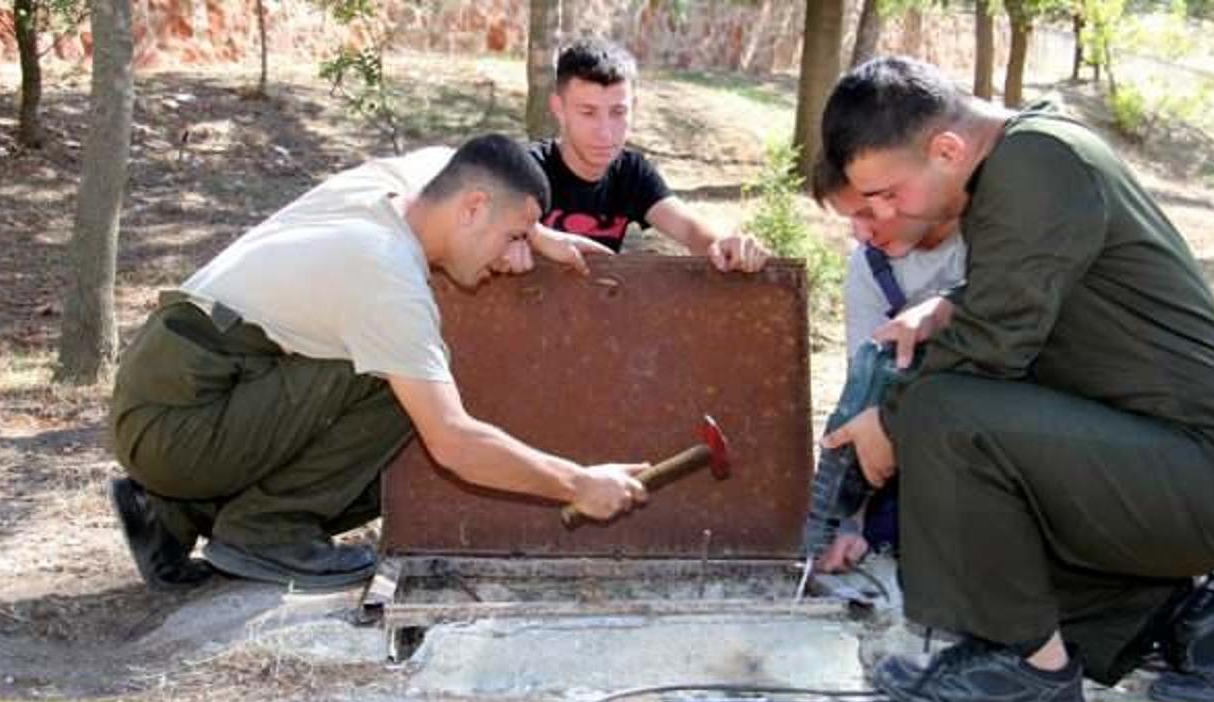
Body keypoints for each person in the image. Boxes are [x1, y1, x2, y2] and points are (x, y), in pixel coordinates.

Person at [819, 56, 1214, 702]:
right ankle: (1199, 612)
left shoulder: (1035, 163)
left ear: (946, 148)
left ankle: (1027, 671)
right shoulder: (1032, 154)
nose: (882, 214)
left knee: (944, 412)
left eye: (887, 194)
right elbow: (1046, 279)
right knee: (979, 526)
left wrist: (891, 417)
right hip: (1180, 463)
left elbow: (995, 347)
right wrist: (952, 304)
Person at [108, 134, 649, 591]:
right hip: (178, 417)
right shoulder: (387, 276)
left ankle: (171, 509)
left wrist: (538, 231)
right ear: (474, 208)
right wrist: (578, 483)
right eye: (511, 238)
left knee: (382, 422)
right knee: (400, 386)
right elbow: (456, 442)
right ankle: (266, 532)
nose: (512, 258)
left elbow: (465, 158)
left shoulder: (405, 185)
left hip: (174, 391)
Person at [497, 36, 771, 275]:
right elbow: (468, 215)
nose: (605, 133)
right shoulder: (527, 168)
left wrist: (725, 246)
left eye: (618, 112)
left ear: (634, 108)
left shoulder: (632, 173)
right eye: (588, 113)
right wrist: (512, 241)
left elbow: (690, 230)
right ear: (559, 107)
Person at [808, 168, 966, 573]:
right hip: (905, 435)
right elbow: (861, 396)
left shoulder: (982, 242)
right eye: (850, 220)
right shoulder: (868, 267)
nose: (861, 233)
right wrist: (848, 521)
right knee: (884, 534)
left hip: (982, 428)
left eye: (867, 213)